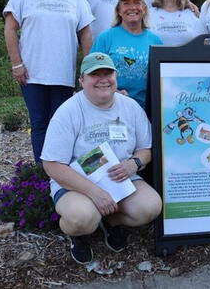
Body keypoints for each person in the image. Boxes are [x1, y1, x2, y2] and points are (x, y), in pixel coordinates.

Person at [41, 52, 162, 264]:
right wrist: (95, 193)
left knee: (150, 207)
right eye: (95, 75)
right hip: (76, 184)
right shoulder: (68, 111)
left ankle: (109, 222)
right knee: (83, 218)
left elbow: (147, 149)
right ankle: (77, 234)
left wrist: (134, 164)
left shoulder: (130, 106)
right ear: (81, 81)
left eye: (108, 73)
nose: (103, 79)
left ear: (116, 76)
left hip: (120, 179)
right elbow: (52, 165)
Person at [4, 0, 93, 163]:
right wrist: (16, 64)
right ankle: (42, 175)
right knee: (40, 123)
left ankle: (63, 172)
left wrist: (88, 67)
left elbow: (86, 32)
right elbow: (10, 28)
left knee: (62, 125)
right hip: (31, 73)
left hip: (63, 73)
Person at [92, 0, 163, 109]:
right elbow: (91, 73)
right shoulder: (106, 38)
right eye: (126, 3)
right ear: (119, 10)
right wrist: (112, 93)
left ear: (144, 9)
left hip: (147, 109)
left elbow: (162, 80)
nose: (132, 7)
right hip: (112, 106)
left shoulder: (155, 41)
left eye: (137, 3)